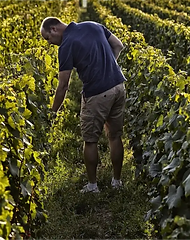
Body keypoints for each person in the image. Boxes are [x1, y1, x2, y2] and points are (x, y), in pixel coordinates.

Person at [40, 17, 126, 193]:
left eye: (47, 38)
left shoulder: (66, 45)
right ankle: (117, 182)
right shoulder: (93, 25)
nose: (49, 43)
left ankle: (93, 186)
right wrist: (108, 67)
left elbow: (63, 85)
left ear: (54, 29)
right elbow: (118, 45)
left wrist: (53, 112)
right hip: (118, 86)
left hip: (97, 93)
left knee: (90, 140)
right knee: (115, 136)